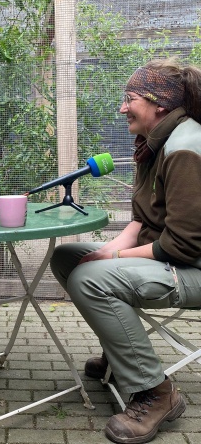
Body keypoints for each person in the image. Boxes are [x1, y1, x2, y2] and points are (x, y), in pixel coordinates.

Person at [51, 56, 201, 443]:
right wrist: (108, 250)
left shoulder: (185, 148)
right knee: (70, 258)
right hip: (171, 257)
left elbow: (182, 244)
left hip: (192, 268)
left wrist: (113, 260)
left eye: (129, 98)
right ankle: (122, 356)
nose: (122, 107)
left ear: (159, 104)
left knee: (91, 279)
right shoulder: (154, 142)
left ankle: (156, 391)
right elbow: (141, 220)